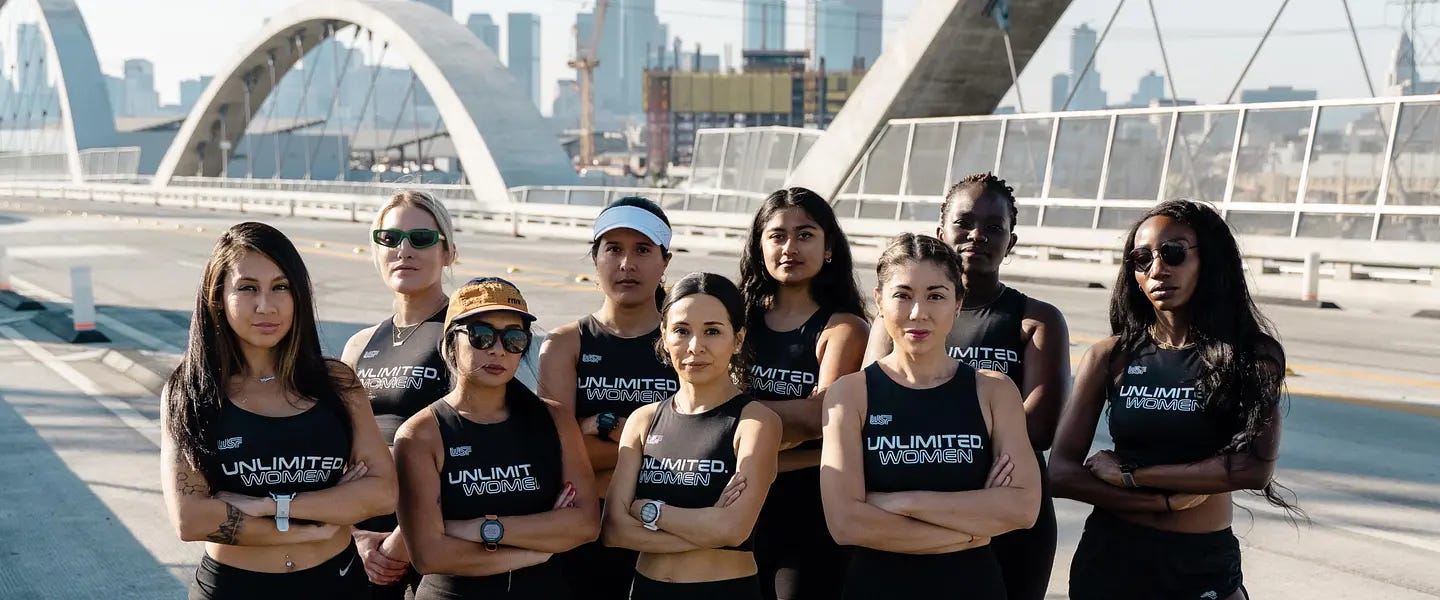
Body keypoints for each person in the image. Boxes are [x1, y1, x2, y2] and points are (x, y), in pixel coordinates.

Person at [1051, 199, 1298, 600]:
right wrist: (1163, 504)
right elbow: (1060, 473)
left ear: (1210, 261)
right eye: (1141, 258)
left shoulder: (1253, 355)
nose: (1157, 269)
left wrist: (1135, 476)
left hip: (1200, 564)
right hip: (1112, 558)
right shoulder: (1109, 356)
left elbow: (1253, 468)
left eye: (1173, 253)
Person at [161, 222, 397, 600]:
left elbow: (383, 493)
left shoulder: (337, 383)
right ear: (217, 296)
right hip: (234, 588)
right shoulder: (192, 391)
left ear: (299, 295)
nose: (265, 306)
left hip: (336, 584)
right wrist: (313, 523)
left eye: (281, 287)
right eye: (247, 288)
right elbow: (190, 519)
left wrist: (270, 506)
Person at [864, 173, 1069, 600]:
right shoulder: (895, 318)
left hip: (1006, 515)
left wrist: (930, 438)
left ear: (1011, 242)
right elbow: (872, 408)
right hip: (909, 512)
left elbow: (1041, 429)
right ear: (941, 233)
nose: (978, 234)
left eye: (995, 227)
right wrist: (971, 438)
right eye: (965, 222)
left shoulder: (1036, 320)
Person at [822, 233, 1040, 600]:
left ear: (957, 304)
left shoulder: (993, 391)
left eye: (936, 295)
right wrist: (971, 530)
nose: (917, 312)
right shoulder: (850, 394)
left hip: (973, 586)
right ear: (878, 301)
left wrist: (901, 502)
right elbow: (845, 523)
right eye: (902, 295)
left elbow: (1023, 508)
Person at [394, 276, 600, 599]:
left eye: (514, 339)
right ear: (451, 342)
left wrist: (482, 529)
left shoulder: (554, 419)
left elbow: (586, 523)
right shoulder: (421, 435)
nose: (499, 350)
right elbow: (429, 555)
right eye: (482, 336)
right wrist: (536, 548)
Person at [602, 272, 782, 600]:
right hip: (646, 589)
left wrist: (647, 511)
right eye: (682, 331)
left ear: (737, 339)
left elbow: (733, 528)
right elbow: (614, 529)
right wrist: (707, 529)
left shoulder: (755, 422)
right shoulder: (643, 421)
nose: (695, 347)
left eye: (712, 331)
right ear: (664, 336)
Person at [539, 196, 679, 599]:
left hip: (666, 528)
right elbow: (559, 457)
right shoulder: (566, 344)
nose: (626, 264)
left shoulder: (683, 341)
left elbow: (703, 446)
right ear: (595, 257)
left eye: (642, 250)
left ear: (665, 261)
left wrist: (598, 433)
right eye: (613, 249)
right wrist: (655, 444)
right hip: (584, 533)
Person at [737, 187, 869, 600]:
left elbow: (818, 419)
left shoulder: (843, 328)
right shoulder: (737, 319)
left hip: (808, 512)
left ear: (829, 247)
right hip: (735, 501)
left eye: (805, 234)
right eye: (777, 235)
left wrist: (732, 417)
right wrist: (788, 430)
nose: (790, 247)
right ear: (760, 247)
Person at [340, 190, 458, 597]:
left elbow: (477, 445)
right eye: (389, 240)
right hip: (365, 546)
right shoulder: (359, 345)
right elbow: (341, 453)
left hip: (433, 544)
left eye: (421, 239)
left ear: (448, 252)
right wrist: (354, 534)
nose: (404, 250)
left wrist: (403, 542)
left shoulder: (468, 337)